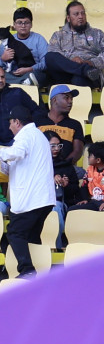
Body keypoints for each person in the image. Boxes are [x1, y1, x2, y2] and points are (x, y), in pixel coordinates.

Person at [0, 106, 56, 277]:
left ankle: (27, 271)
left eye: (10, 123)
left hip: (31, 199)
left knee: (15, 233)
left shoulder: (26, 135)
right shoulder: (37, 136)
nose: (9, 127)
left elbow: (16, 153)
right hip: (42, 199)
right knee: (30, 238)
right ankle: (37, 273)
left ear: (17, 122)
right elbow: (14, 167)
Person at [45, 1, 104, 88]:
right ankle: (83, 70)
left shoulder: (97, 33)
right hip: (65, 74)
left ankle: (85, 70)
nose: (80, 17)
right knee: (50, 56)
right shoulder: (58, 35)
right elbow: (53, 51)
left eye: (83, 13)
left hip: (90, 75)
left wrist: (91, 63)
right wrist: (71, 59)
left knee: (78, 79)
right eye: (76, 14)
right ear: (68, 18)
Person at [0, 67, 42, 146]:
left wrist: (27, 129)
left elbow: (37, 112)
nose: (0, 80)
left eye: (2, 77)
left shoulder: (18, 93)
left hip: (19, 141)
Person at [10, 7, 48, 86]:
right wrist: (3, 58)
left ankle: (18, 83)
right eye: (19, 22)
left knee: (39, 76)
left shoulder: (39, 39)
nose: (23, 26)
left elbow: (46, 63)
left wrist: (30, 69)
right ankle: (23, 82)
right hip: (14, 74)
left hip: (33, 72)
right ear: (14, 25)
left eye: (26, 22)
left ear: (31, 24)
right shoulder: (8, 41)